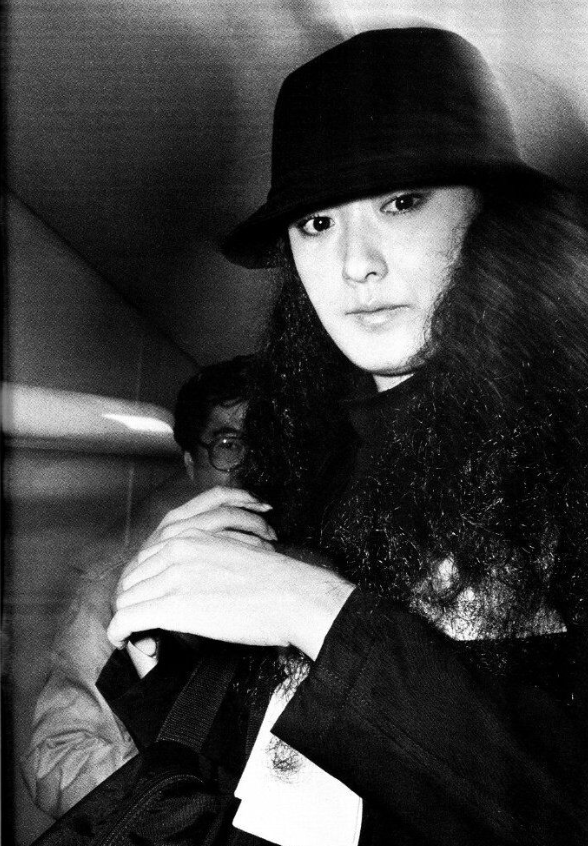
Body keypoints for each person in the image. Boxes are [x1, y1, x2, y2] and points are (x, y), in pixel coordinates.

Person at [101, 28, 587, 845]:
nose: (354, 263)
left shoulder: (566, 451)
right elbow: (260, 762)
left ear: (491, 216)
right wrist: (163, 641)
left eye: (401, 203)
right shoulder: (301, 456)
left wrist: (311, 607)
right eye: (317, 222)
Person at [22, 356, 252, 819]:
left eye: (275, 445)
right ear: (191, 464)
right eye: (229, 444)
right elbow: (57, 757)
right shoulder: (120, 590)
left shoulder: (335, 577)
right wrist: (186, 809)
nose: (253, 466)